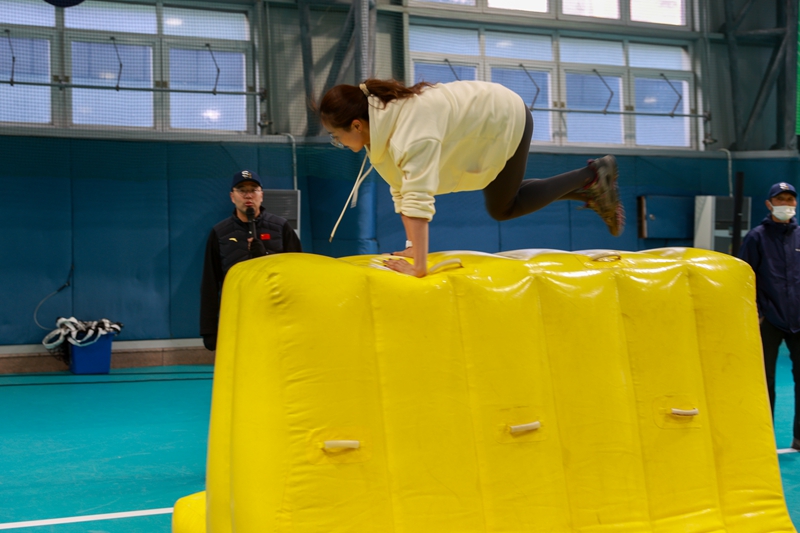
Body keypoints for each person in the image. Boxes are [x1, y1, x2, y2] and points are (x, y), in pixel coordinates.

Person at [318, 79, 625, 278]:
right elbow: (401, 188)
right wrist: (412, 246)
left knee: (505, 206)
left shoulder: (408, 134)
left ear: (356, 125)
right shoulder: (380, 131)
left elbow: (417, 198)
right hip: (482, 124)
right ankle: (591, 189)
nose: (337, 142)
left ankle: (591, 176)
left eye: (336, 135)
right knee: (505, 202)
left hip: (503, 115)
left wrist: (420, 267)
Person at [200, 170, 302, 351]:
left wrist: (266, 257)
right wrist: (209, 329)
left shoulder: (281, 228)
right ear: (232, 196)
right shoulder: (220, 233)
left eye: (253, 190)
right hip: (237, 316)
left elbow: (297, 275)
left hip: (274, 316)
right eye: (242, 190)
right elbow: (210, 283)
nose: (248, 195)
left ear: (261, 195)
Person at [739, 182, 800, 451]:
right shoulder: (756, 237)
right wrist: (757, 313)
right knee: (765, 381)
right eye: (780, 199)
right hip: (768, 322)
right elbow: (744, 277)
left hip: (798, 322)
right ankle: (763, 441)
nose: (786, 204)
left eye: (790, 199)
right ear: (769, 204)